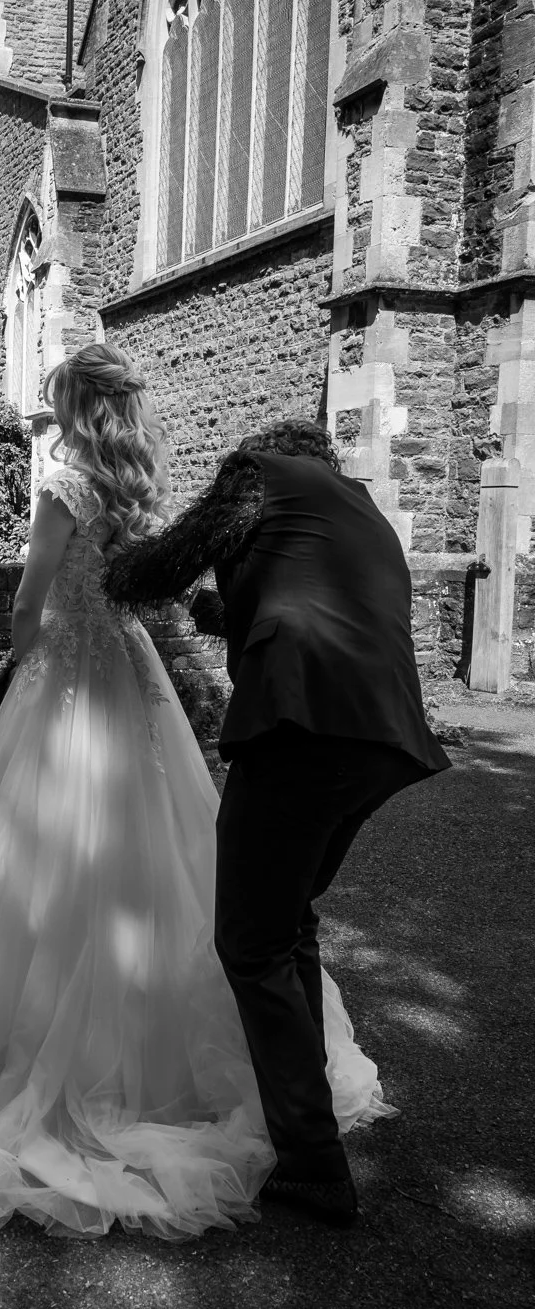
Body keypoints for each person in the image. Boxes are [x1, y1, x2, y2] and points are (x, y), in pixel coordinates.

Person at [0, 344, 394, 1240]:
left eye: (55, 393)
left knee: (49, 852)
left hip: (67, 678)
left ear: (74, 403)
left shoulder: (66, 477)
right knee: (159, 852)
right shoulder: (129, 479)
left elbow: (31, 596)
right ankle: (233, 1075)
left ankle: (56, 1072)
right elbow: (140, 589)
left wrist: (16, 653)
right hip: (127, 667)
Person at [104, 417, 450, 1225]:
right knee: (287, 923)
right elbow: (296, 605)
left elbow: (158, 568)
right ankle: (306, 1111)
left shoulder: (258, 472)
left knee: (250, 943)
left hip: (302, 729)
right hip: (385, 741)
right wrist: (216, 611)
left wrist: (115, 558)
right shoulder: (359, 511)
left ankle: (314, 1164)